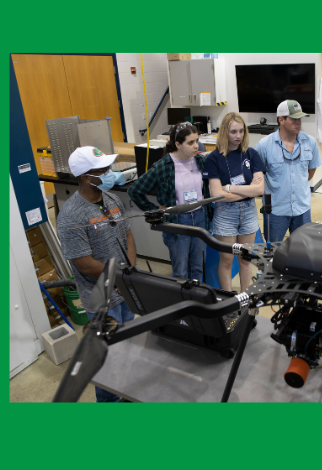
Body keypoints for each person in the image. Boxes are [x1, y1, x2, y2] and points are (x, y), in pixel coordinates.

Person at [58, 146, 138, 402]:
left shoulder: (112, 199)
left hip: (125, 289)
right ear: (85, 177)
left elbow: (127, 235)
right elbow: (84, 264)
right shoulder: (71, 216)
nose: (109, 173)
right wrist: (119, 278)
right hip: (102, 299)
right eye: (102, 170)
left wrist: (130, 272)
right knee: (106, 361)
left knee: (127, 348)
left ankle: (126, 395)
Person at [128, 123, 213, 281]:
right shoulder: (163, 166)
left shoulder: (200, 161)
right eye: (190, 142)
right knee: (181, 271)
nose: (196, 146)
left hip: (200, 217)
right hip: (178, 220)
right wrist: (154, 210)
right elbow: (135, 190)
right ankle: (182, 297)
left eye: (197, 141)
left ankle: (197, 296)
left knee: (198, 267)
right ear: (178, 144)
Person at [202, 113, 266, 292]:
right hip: (225, 213)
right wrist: (248, 190)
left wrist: (230, 188)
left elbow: (260, 190)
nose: (238, 136)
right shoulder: (214, 158)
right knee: (227, 260)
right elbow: (217, 195)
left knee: (245, 258)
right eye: (233, 132)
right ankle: (229, 297)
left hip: (248, 212)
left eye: (241, 131)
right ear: (224, 132)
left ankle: (244, 297)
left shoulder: (251, 154)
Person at [253, 100, 321, 244]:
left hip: (302, 209)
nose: (298, 123)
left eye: (300, 119)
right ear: (281, 120)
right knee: (273, 251)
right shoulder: (264, 146)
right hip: (276, 210)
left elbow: (311, 170)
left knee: (302, 249)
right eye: (294, 119)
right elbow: (257, 176)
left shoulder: (310, 142)